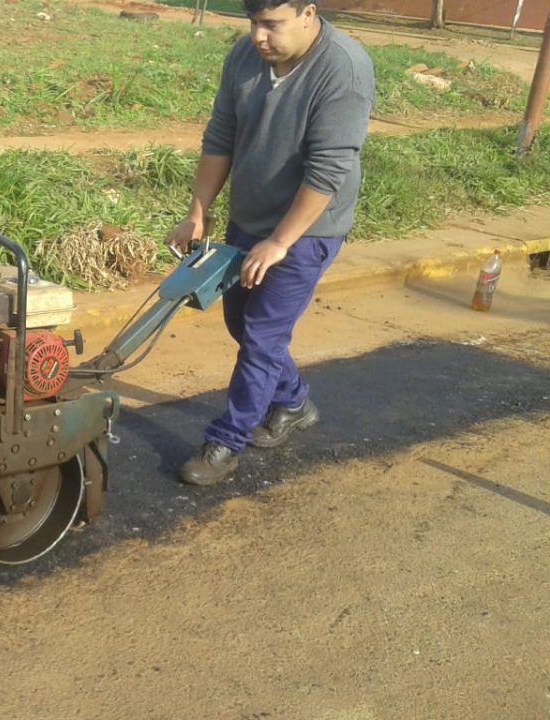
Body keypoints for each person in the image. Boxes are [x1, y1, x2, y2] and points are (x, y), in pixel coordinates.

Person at [165, 0, 375, 485]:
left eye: (271, 25)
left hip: (306, 228)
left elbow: (328, 169)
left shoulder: (343, 68)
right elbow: (221, 134)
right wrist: (198, 213)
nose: (259, 36)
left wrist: (281, 241)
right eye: (253, 23)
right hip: (251, 216)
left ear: (308, 13)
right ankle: (295, 401)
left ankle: (225, 443)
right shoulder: (245, 56)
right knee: (240, 322)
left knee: (262, 334)